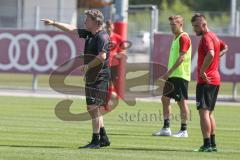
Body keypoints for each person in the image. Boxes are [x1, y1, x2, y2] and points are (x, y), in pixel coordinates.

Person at [41, 9, 111, 149]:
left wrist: (88, 66)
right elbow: (72, 29)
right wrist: (54, 23)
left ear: (96, 22)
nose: (85, 21)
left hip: (99, 77)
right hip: (92, 77)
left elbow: (102, 57)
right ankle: (103, 138)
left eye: (88, 19)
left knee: (93, 107)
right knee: (92, 108)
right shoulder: (90, 34)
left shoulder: (102, 36)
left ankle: (96, 140)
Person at [191, 13, 228, 152]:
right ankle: (212, 144)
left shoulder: (207, 37)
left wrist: (202, 71)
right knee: (210, 113)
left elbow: (211, 53)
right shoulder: (214, 36)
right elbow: (225, 48)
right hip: (215, 79)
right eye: (193, 26)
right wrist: (215, 61)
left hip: (206, 80)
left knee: (203, 113)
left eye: (196, 26)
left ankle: (206, 145)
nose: (194, 29)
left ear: (203, 24)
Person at [152, 15, 192, 138]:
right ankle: (166, 128)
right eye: (170, 24)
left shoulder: (183, 38)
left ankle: (184, 130)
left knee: (181, 102)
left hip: (180, 75)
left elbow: (182, 58)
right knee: (165, 99)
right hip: (173, 75)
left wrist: (168, 73)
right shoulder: (176, 38)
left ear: (180, 24)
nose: (171, 27)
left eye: (174, 24)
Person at [105, 20, 125, 101]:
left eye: (110, 26)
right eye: (107, 26)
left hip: (113, 65)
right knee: (103, 83)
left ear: (113, 27)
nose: (109, 28)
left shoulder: (118, 38)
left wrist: (118, 55)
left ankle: (109, 98)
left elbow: (123, 50)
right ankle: (110, 96)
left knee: (110, 84)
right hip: (103, 64)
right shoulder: (103, 37)